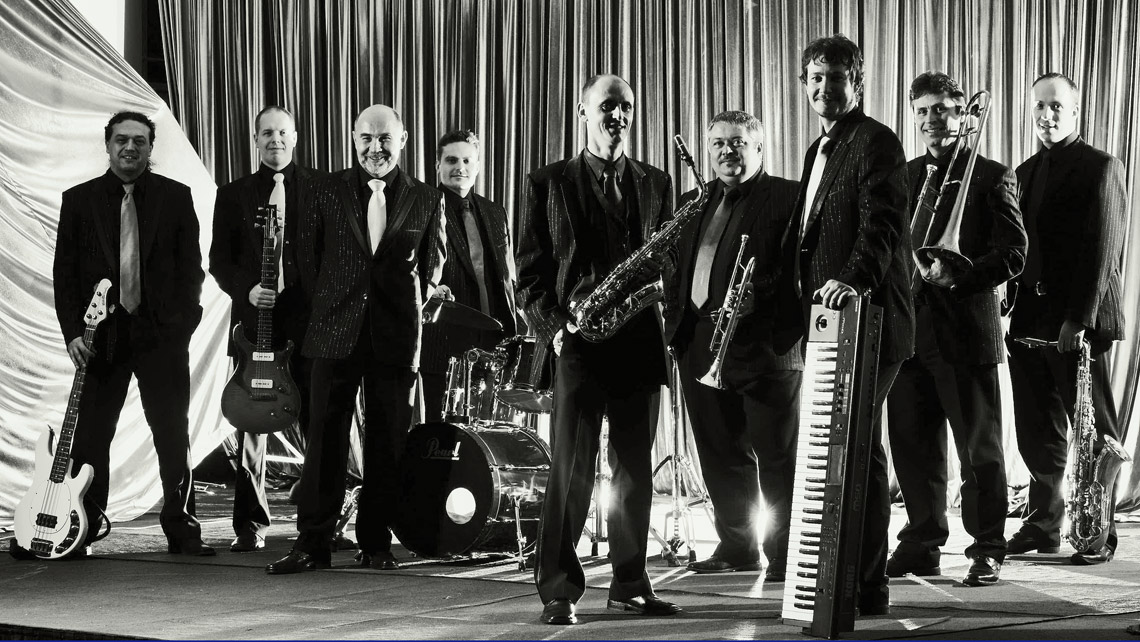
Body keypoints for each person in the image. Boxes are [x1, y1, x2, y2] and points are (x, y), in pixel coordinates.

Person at [516, 74, 682, 625]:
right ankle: (559, 589)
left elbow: (669, 258)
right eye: (607, 105)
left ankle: (630, 583)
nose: (619, 115)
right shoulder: (546, 182)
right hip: (578, 341)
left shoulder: (657, 182)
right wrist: (555, 328)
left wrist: (657, 279)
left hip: (638, 339)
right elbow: (529, 273)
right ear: (583, 111)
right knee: (571, 470)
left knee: (634, 469)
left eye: (626, 106)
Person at [265, 104, 446, 574]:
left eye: (385, 138)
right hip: (333, 332)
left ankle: (375, 543)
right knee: (324, 442)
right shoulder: (325, 190)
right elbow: (307, 262)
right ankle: (312, 544)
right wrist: (326, 311)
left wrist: (407, 310)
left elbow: (432, 266)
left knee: (388, 443)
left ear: (403, 140)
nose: (375, 148)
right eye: (366, 138)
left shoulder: (428, 198)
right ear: (353, 138)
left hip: (397, 337)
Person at [783, 34, 914, 616]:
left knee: (856, 448)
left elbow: (882, 223)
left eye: (835, 77)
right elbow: (809, 237)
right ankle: (855, 580)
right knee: (858, 449)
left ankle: (864, 585)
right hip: (829, 325)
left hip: (870, 319)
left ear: (856, 82)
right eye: (814, 77)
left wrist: (854, 280)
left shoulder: (876, 141)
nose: (823, 87)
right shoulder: (819, 148)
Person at [884, 72, 1027, 587]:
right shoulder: (902, 175)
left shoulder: (991, 174)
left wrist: (961, 274)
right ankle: (922, 542)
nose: (932, 120)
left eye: (942, 109)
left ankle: (988, 545)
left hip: (965, 330)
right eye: (922, 111)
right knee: (913, 446)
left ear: (961, 113)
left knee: (978, 451)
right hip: (909, 330)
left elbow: (1014, 253)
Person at [51, 111, 210, 556]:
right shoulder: (78, 200)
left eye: (140, 141)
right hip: (99, 338)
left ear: (150, 147)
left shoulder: (175, 197)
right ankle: (80, 530)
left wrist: (183, 326)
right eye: (122, 139)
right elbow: (65, 275)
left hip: (162, 337)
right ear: (107, 144)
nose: (130, 147)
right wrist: (72, 333)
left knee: (172, 434)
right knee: (91, 437)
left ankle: (182, 531)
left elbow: (192, 270)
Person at [664, 110, 802, 582]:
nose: (728, 151)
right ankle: (738, 546)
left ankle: (785, 553)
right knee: (719, 452)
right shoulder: (694, 201)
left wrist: (758, 295)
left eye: (738, 142)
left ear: (759, 147)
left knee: (777, 457)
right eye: (719, 143)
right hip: (700, 340)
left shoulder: (788, 196)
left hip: (764, 345)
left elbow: (800, 267)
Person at [1005, 72, 1127, 565]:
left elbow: (1103, 252)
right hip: (1029, 322)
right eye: (1039, 105)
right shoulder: (1023, 171)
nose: (1046, 114)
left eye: (1056, 105)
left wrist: (1078, 319)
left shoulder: (1102, 166)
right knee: (1037, 432)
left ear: (1075, 111)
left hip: (1077, 323)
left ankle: (1100, 534)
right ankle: (1042, 525)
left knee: (1094, 431)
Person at [209, 106, 326, 553]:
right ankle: (250, 524)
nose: (275, 139)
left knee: (318, 419)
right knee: (251, 420)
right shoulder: (233, 194)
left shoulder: (321, 188)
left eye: (282, 132)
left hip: (310, 322)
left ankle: (320, 522)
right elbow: (219, 261)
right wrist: (248, 288)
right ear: (255, 139)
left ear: (295, 137)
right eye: (266, 133)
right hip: (256, 323)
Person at [420, 129, 520, 422]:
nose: (460, 167)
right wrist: (431, 289)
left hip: (494, 343)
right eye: (451, 160)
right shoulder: (423, 206)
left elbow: (507, 276)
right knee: (441, 434)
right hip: (443, 342)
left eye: (467, 161)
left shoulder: (495, 212)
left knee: (487, 433)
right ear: (438, 165)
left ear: (477, 166)